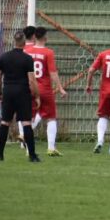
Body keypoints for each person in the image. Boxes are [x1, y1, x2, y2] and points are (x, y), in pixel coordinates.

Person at [0, 31, 41, 162]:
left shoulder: (4, 57)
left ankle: (0, 155)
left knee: (5, 122)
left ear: (14, 41)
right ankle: (32, 156)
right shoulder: (27, 59)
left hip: (8, 91)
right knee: (26, 122)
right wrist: (36, 96)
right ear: (24, 43)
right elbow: (32, 80)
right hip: (22, 92)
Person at [25, 27, 68, 157]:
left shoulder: (26, 51)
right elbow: (52, 72)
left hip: (30, 88)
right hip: (44, 89)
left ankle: (28, 149)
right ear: (44, 37)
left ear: (34, 37)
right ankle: (50, 148)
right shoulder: (48, 52)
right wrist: (60, 87)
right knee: (51, 118)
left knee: (30, 119)